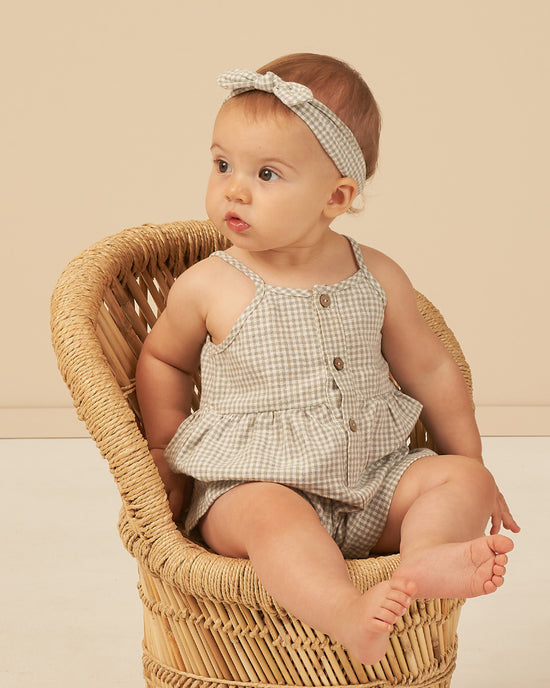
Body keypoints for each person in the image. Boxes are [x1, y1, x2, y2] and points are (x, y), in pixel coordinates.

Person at [136, 53, 520, 666]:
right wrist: (166, 454)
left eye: (266, 174)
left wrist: (471, 467)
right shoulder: (211, 284)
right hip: (252, 485)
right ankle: (345, 612)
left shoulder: (377, 277)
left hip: (375, 482)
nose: (234, 188)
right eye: (222, 164)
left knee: (463, 480)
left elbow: (431, 370)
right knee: (273, 518)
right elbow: (164, 360)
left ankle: (424, 558)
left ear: (335, 196)